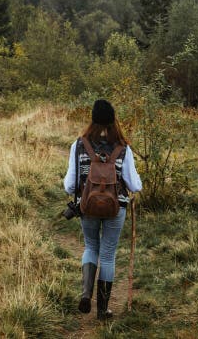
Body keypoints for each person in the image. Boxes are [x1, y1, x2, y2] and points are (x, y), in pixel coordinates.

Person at [63, 99, 142, 320]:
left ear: (93, 119)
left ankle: (86, 293)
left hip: (86, 205)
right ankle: (103, 309)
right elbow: (135, 185)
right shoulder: (123, 148)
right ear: (113, 119)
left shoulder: (79, 144)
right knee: (107, 254)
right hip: (116, 208)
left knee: (90, 246)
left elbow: (69, 185)